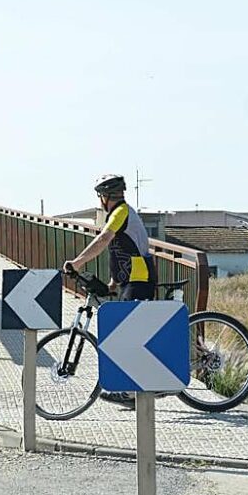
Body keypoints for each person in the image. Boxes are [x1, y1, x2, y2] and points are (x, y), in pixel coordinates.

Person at [64, 173, 158, 404]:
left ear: (105, 197)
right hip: (130, 279)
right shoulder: (119, 213)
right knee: (129, 332)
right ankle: (136, 388)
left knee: (129, 333)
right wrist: (113, 283)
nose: (100, 200)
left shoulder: (120, 212)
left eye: (100, 196)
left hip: (140, 278)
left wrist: (77, 263)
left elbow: (105, 239)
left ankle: (134, 390)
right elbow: (120, 250)